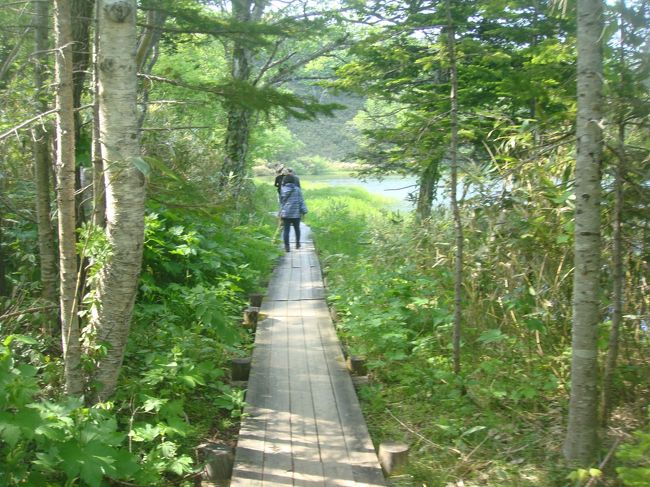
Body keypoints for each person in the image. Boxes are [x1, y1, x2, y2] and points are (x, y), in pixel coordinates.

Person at [279, 174, 307, 252]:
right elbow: (301, 201)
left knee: (286, 230)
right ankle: (297, 244)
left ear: (285, 181)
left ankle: (287, 247)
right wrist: (304, 211)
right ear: (293, 181)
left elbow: (281, 202)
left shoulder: (282, 189)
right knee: (297, 229)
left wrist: (280, 212)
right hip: (296, 213)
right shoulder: (297, 189)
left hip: (286, 213)